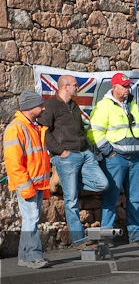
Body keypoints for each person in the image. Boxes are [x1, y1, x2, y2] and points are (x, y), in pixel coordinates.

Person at [39, 74, 109, 248]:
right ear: (65, 87)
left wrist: (86, 148)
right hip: (66, 156)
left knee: (102, 184)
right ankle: (79, 240)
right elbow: (44, 132)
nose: (78, 87)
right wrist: (60, 151)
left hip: (84, 154)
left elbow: (79, 129)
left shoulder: (74, 106)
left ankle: (60, 178)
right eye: (75, 85)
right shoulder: (50, 106)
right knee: (71, 201)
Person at [88, 73, 139, 244]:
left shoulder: (132, 105)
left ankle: (136, 233)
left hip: (134, 158)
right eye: (124, 86)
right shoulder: (104, 106)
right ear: (115, 87)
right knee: (111, 198)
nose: (128, 89)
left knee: (135, 197)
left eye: (128, 86)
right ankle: (106, 237)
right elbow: (93, 132)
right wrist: (108, 152)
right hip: (115, 158)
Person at [4, 91, 52, 268]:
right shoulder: (16, 129)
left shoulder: (32, 126)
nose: (43, 108)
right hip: (28, 184)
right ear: (31, 107)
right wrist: (26, 186)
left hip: (35, 183)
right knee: (31, 218)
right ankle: (33, 256)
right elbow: (13, 163)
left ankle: (24, 256)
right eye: (40, 105)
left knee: (31, 219)